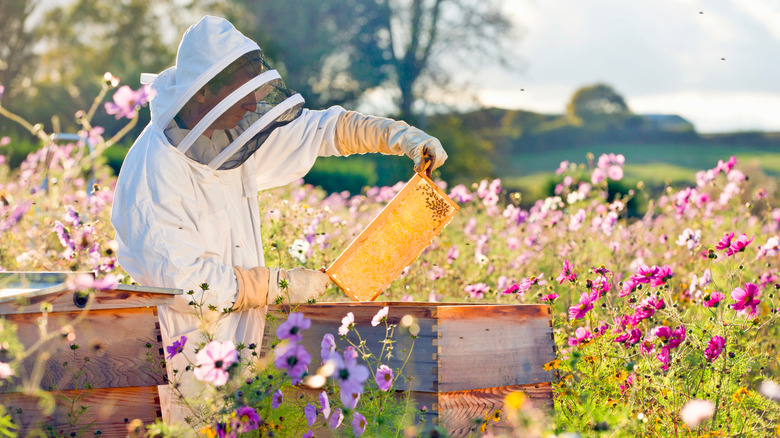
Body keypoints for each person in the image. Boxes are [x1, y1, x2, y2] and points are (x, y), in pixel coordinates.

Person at [110, 16, 446, 422]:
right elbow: (188, 285)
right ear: (204, 96)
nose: (253, 106)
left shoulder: (223, 134)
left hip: (240, 341)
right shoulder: (155, 175)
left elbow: (321, 130)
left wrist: (399, 136)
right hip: (183, 347)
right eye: (243, 96)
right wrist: (277, 283)